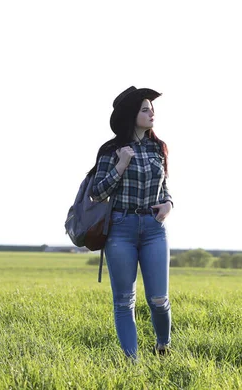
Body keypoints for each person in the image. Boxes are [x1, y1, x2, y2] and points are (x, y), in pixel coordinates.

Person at [88, 86, 174, 359]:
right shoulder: (112, 150)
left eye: (152, 109)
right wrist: (120, 165)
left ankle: (163, 345)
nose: (151, 114)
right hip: (121, 229)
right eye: (145, 109)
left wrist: (170, 203)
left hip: (153, 229)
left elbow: (165, 187)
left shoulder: (158, 147)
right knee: (124, 302)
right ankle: (131, 363)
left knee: (159, 299)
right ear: (131, 115)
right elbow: (97, 192)